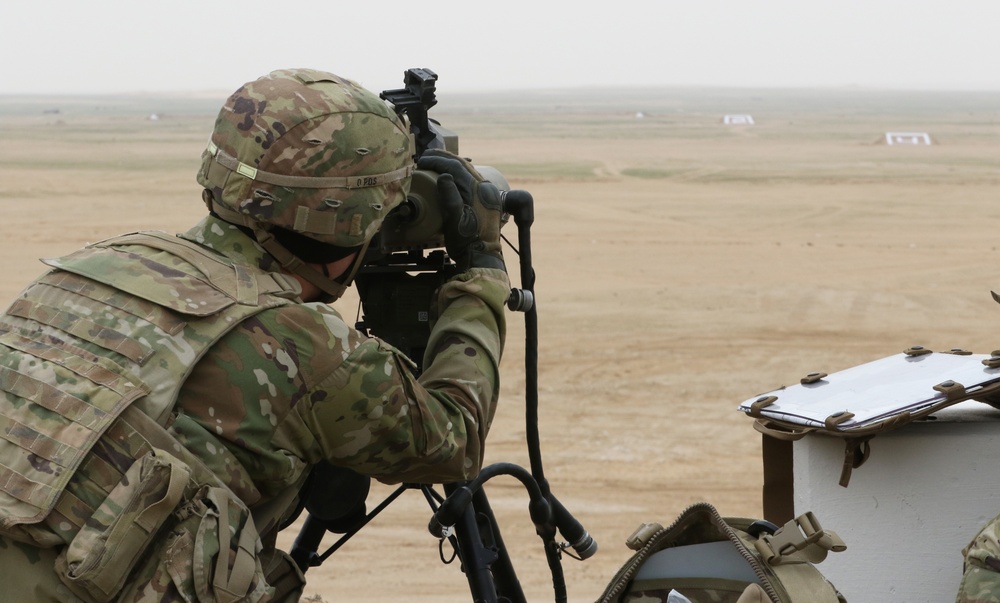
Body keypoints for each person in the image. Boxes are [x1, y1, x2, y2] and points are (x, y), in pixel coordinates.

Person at [0, 68, 509, 602]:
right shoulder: (306, 347)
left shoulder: (93, 266)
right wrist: (481, 279)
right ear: (357, 220)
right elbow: (453, 442)